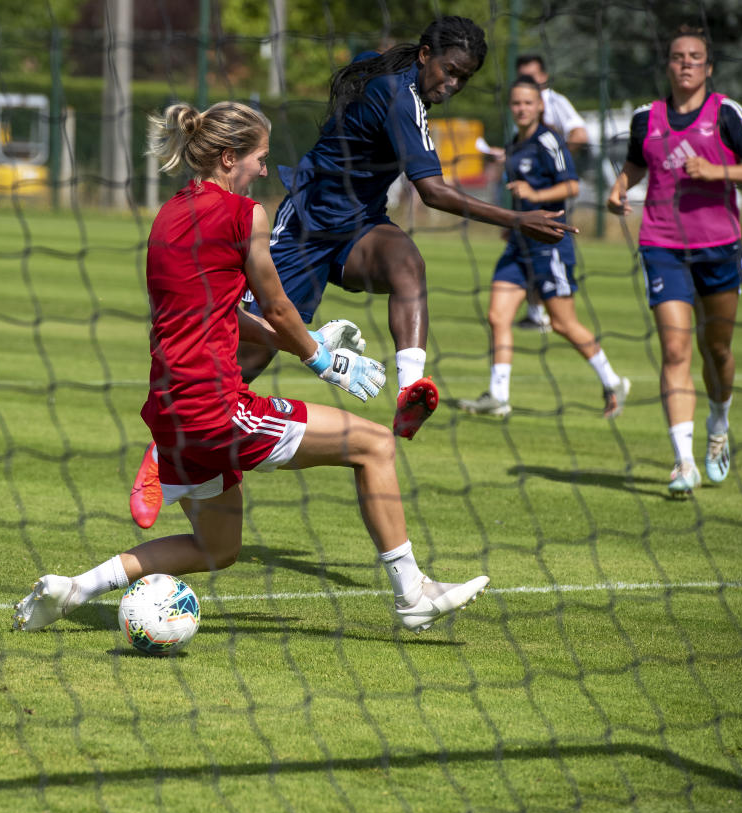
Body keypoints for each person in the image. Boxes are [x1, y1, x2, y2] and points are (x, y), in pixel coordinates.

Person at [16, 101, 489, 635]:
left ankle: (75, 589)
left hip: (169, 410)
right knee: (375, 444)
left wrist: (304, 341)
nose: (265, 171)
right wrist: (323, 360)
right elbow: (278, 307)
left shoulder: (168, 214)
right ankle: (413, 595)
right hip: (217, 407)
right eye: (260, 159)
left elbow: (229, 313)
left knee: (218, 547)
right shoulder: (246, 216)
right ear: (227, 157)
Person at [130, 17, 575, 530]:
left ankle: (411, 390)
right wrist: (518, 219)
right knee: (250, 350)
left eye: (464, 79)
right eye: (450, 72)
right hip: (307, 227)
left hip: (361, 226)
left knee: (407, 263)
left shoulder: (394, 80)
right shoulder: (398, 91)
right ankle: (162, 452)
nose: (452, 85)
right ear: (426, 55)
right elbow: (432, 192)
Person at [607, 25, 742, 495]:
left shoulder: (726, 113)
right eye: (678, 56)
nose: (686, 63)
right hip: (662, 246)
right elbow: (637, 162)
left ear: (708, 67)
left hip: (719, 247)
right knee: (676, 351)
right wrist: (620, 188)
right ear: (667, 64)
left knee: (717, 349)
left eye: (695, 56)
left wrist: (719, 170)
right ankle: (683, 462)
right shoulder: (647, 117)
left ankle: (718, 423)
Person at [459, 76, 629, 418]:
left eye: (527, 102)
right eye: (516, 103)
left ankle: (613, 382)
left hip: (549, 244)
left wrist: (535, 197)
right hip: (518, 244)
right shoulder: (515, 143)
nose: (521, 108)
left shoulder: (549, 140)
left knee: (564, 323)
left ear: (539, 106)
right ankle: (498, 396)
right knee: (497, 316)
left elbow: (571, 186)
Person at [513, 53, 591, 333]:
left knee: (565, 322)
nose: (526, 82)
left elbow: (580, 135)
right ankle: (535, 313)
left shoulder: (556, 103)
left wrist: (555, 159)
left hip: (550, 209)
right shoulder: (521, 115)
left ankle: (610, 377)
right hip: (524, 217)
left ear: (544, 78)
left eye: (532, 77)